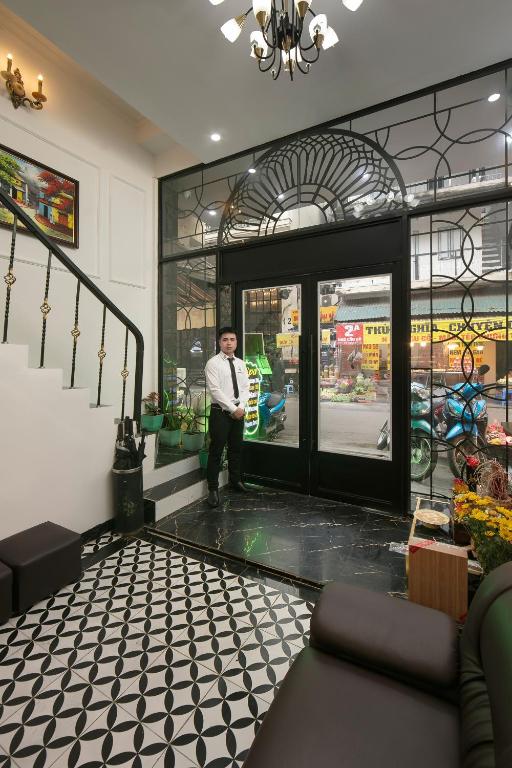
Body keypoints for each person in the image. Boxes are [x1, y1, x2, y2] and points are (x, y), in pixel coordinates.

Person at [204, 327, 250, 508]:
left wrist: (241, 407)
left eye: (232, 339)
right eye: (225, 340)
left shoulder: (241, 363)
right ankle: (213, 489)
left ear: (236, 342)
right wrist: (232, 409)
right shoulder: (213, 363)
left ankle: (235, 480)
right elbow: (215, 391)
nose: (229, 343)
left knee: (236, 448)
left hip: (238, 411)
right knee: (216, 451)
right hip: (220, 413)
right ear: (219, 342)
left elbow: (246, 388)